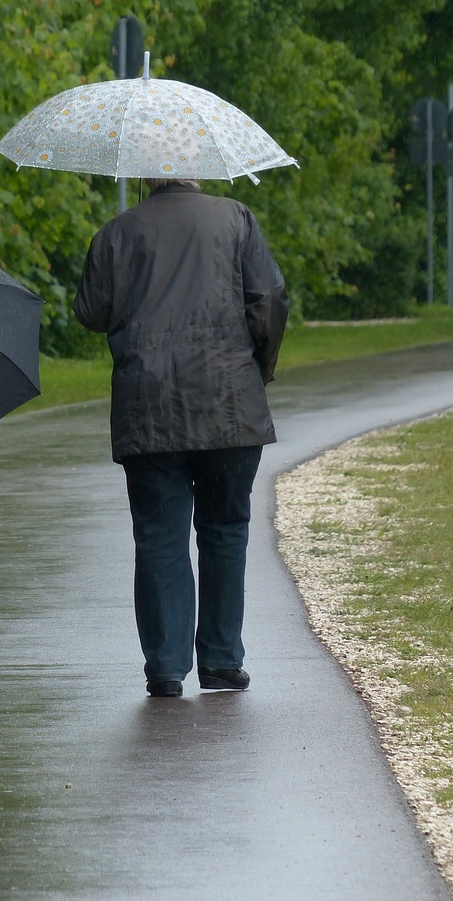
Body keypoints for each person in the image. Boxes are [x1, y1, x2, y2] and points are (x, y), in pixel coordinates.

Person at [73, 177, 290, 698]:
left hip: (149, 407)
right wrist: (260, 367)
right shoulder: (235, 218)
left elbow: (90, 312)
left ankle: (167, 667)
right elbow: (270, 300)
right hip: (230, 403)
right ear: (198, 168)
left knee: (159, 537)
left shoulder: (116, 234)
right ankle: (220, 661)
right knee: (224, 529)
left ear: (147, 175)